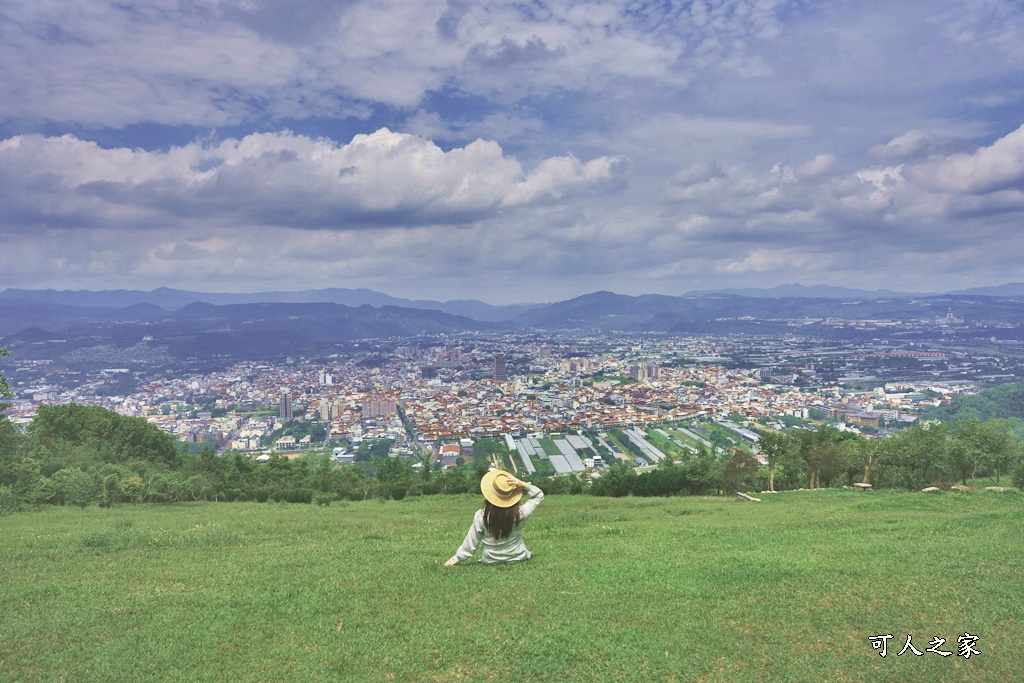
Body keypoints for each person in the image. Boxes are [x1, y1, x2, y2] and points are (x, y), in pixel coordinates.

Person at [444, 469, 544, 566]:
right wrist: (523, 485)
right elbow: (539, 495)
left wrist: (456, 558)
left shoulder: (482, 516)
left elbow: (472, 541)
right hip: (518, 557)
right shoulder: (521, 513)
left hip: (490, 560)